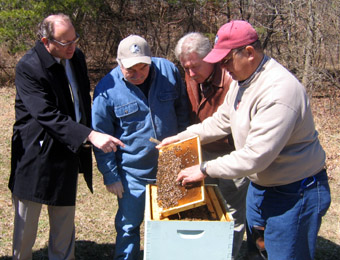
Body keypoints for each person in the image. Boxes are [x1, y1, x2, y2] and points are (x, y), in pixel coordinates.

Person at [157, 20, 331, 260]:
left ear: (249, 53)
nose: (222, 66)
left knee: (285, 255)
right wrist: (180, 137)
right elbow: (220, 121)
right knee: (258, 252)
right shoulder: (243, 82)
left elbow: (255, 156)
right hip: (262, 187)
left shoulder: (278, 92)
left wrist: (204, 168)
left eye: (226, 60)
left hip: (294, 192)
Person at [9, 13, 123, 260]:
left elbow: (81, 99)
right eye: (65, 43)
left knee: (63, 222)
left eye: (75, 39)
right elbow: (46, 114)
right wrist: (90, 134)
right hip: (35, 153)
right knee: (26, 230)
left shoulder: (76, 57)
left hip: (68, 149)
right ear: (45, 41)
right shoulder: (28, 66)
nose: (72, 47)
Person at [92, 34, 189, 260]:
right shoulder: (106, 89)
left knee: (170, 224)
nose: (138, 75)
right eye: (131, 71)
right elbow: (101, 137)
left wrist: (185, 150)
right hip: (132, 172)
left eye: (143, 69)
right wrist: (111, 176)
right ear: (119, 64)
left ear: (151, 61)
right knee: (128, 227)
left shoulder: (169, 72)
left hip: (171, 167)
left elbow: (182, 110)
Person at [174, 32, 249, 259]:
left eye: (195, 66)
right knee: (205, 208)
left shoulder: (232, 78)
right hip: (202, 151)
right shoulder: (191, 74)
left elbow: (228, 123)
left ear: (212, 58)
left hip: (232, 155)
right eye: (185, 68)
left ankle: (228, 255)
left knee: (231, 215)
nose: (190, 73)